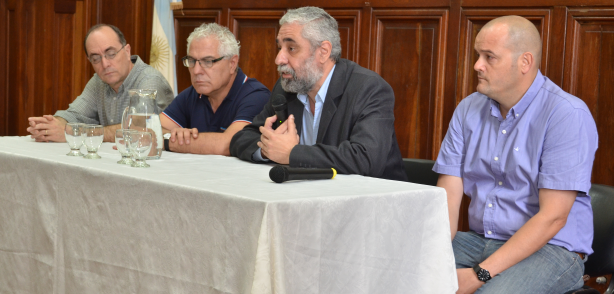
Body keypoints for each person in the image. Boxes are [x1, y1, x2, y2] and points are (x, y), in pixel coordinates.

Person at [433, 15, 598, 293]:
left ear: (525, 62)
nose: (477, 65)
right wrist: (433, 257)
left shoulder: (567, 114)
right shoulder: (467, 109)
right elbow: (449, 195)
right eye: (477, 55)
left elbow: (553, 218)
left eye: (489, 57)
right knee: (398, 269)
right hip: (479, 240)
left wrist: (479, 275)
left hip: (552, 250)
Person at [229, 6, 406, 181]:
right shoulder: (287, 87)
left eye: (291, 48)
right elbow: (242, 139)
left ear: (323, 52)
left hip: (375, 202)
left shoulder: (368, 88)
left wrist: (291, 153)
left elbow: (366, 159)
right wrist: (269, 148)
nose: (279, 59)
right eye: (279, 48)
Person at [26, 24, 174, 143]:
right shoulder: (99, 81)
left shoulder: (149, 80)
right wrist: (50, 126)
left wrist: (72, 131)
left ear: (127, 51)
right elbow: (75, 115)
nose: (105, 64)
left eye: (111, 54)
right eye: (96, 58)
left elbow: (136, 130)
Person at [160, 23, 270, 155]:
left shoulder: (256, 95)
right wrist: (173, 136)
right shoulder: (193, 94)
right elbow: (144, 131)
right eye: (192, 61)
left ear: (232, 64)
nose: (196, 71)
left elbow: (229, 144)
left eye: (208, 61)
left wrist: (172, 141)